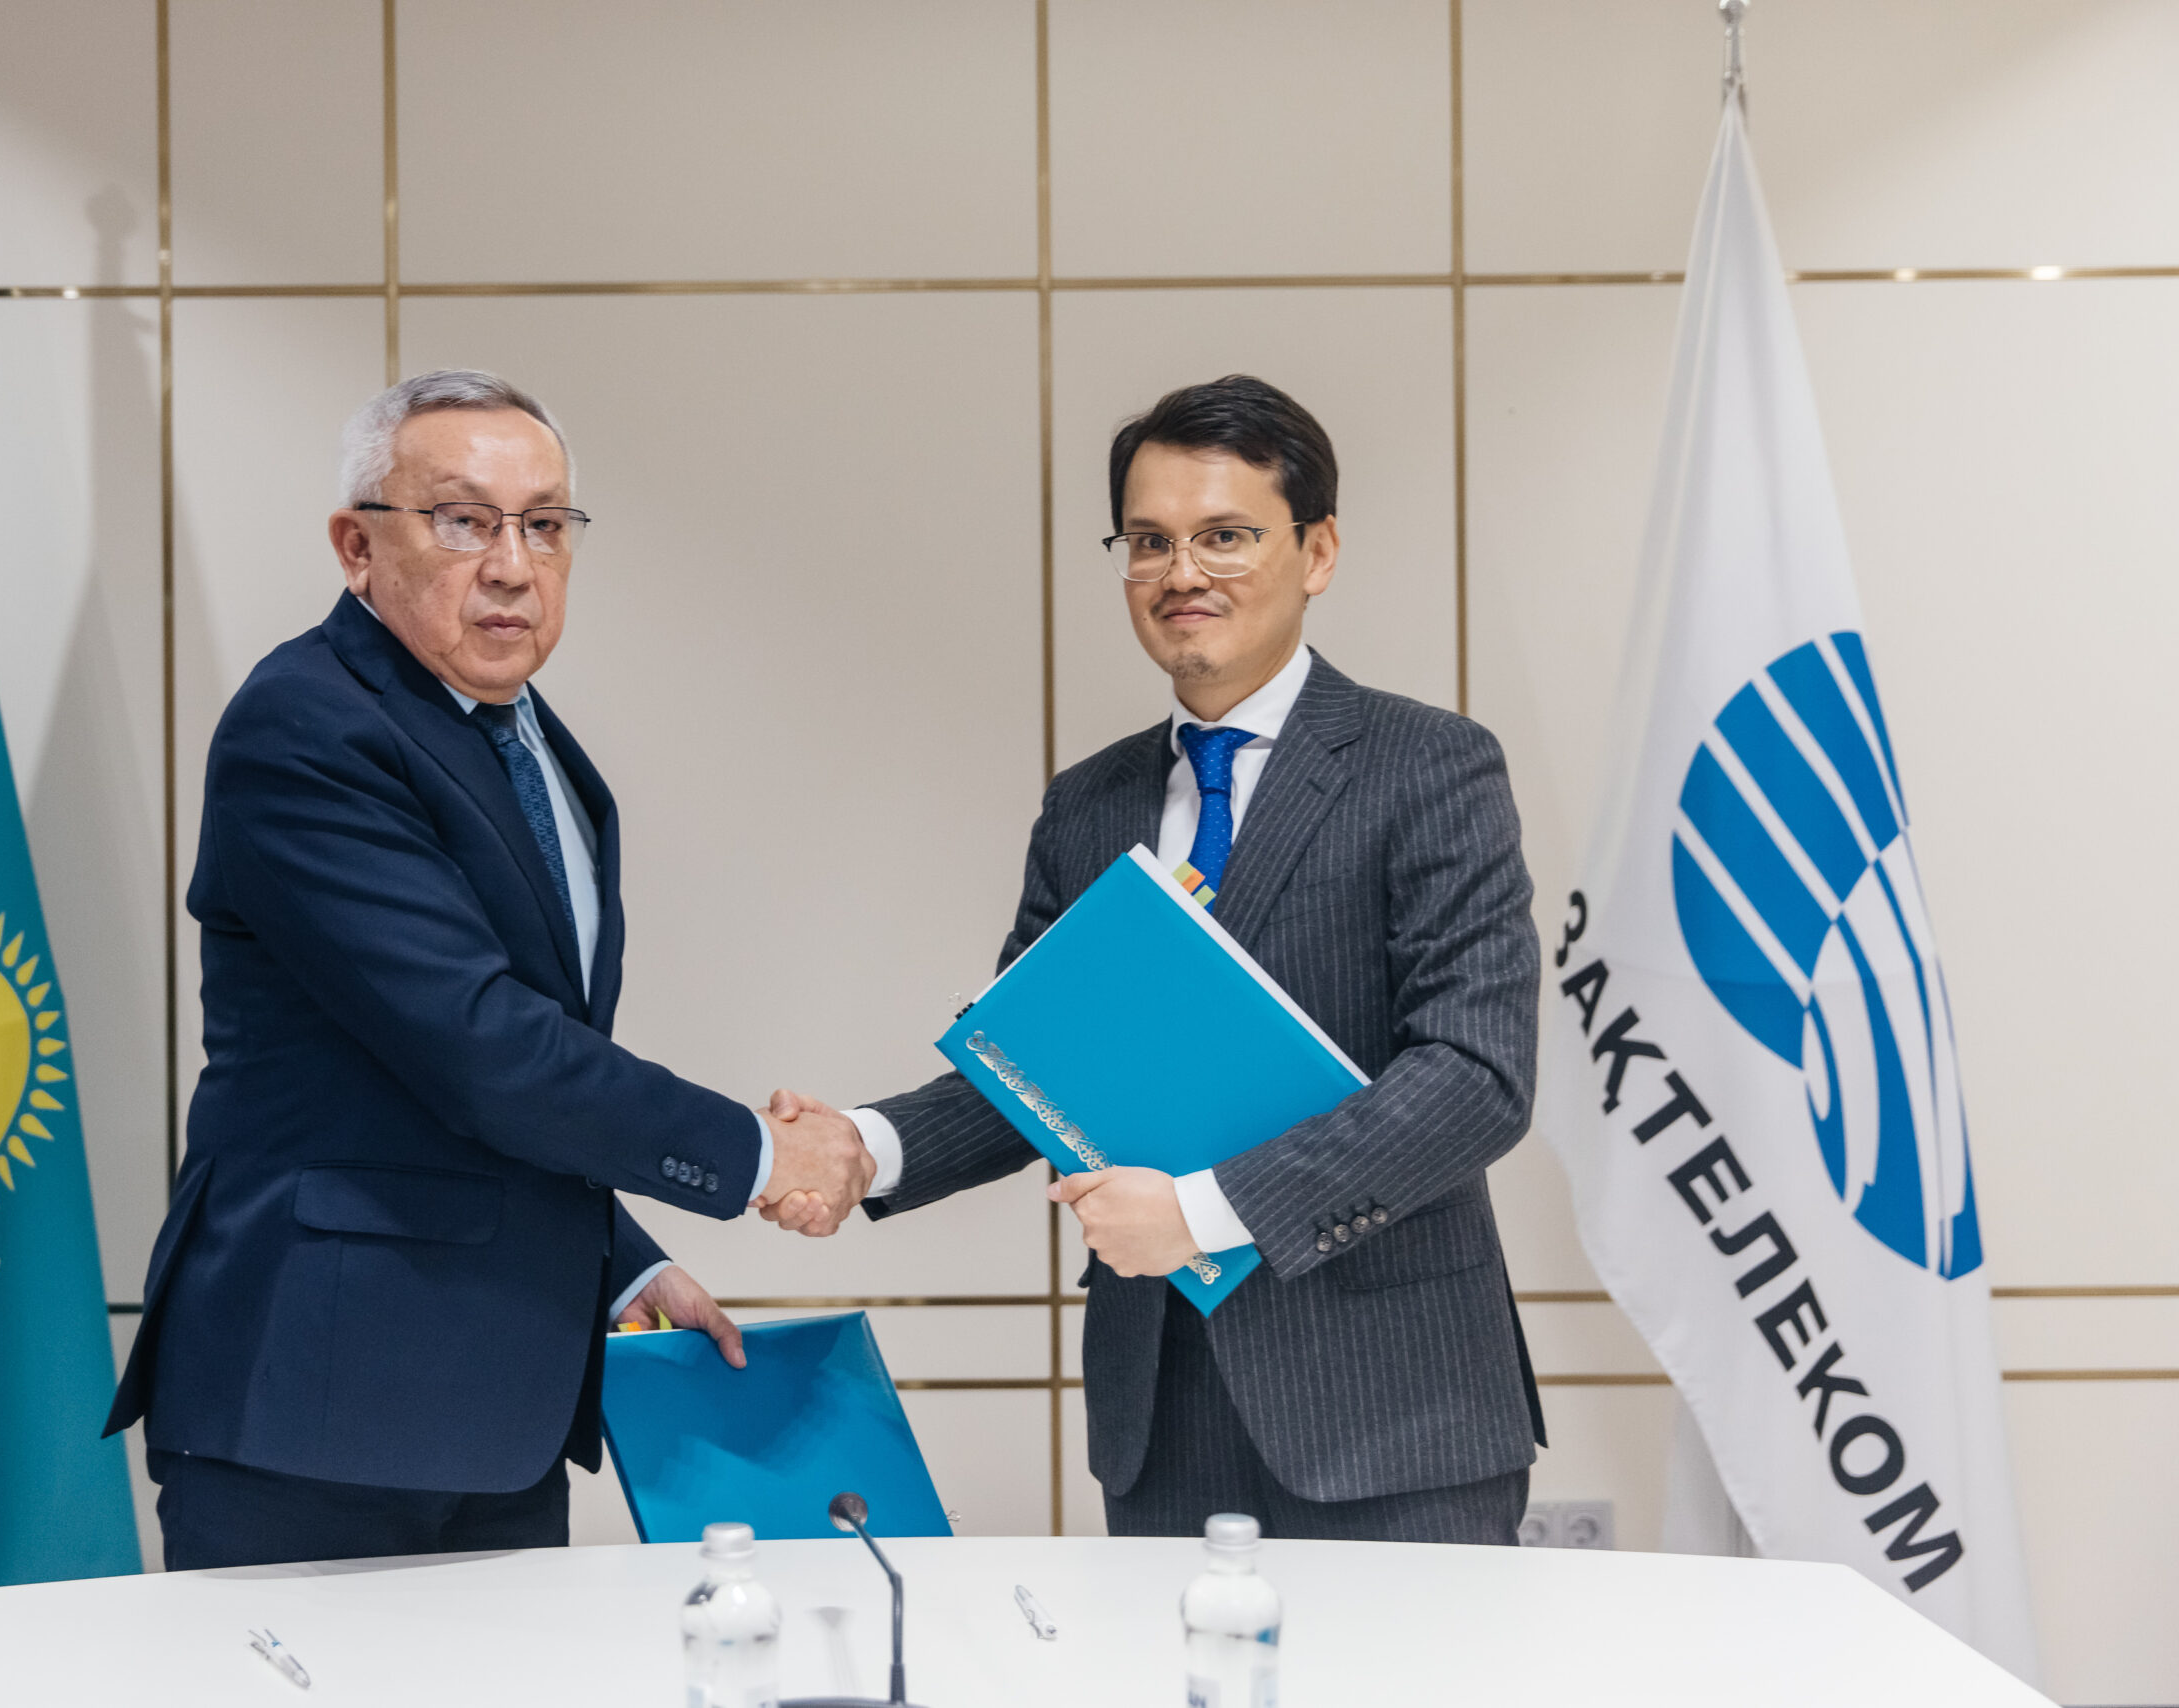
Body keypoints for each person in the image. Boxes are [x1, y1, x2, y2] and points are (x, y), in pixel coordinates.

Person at [106, 370, 878, 1568]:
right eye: (464, 521)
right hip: (319, 1407)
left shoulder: (523, 738)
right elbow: (484, 1046)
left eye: (546, 524)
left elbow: (433, 1092)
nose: (514, 565)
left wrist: (620, 1264)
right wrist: (763, 1156)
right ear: (357, 547)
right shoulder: (307, 726)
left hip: (493, 1408)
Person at [771, 375, 1546, 1542]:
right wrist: (861, 1148)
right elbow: (1033, 1066)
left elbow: (1475, 1076)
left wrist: (1202, 1210)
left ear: (1317, 550)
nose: (1182, 572)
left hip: (1396, 1412)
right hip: (1163, 1412)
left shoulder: (1429, 766)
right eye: (1148, 541)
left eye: (1225, 535)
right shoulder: (1089, 805)